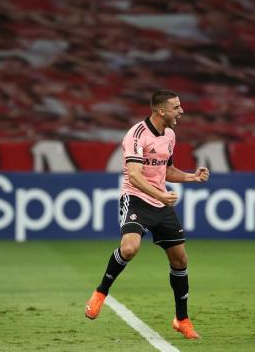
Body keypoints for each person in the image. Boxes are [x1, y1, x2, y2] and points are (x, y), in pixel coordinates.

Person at [84, 89, 210, 339]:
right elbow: (134, 175)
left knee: (180, 260)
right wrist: (162, 196)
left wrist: (191, 176)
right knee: (130, 248)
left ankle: (181, 319)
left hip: (160, 202)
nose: (181, 111)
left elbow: (167, 171)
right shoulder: (136, 135)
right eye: (176, 107)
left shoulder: (170, 135)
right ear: (161, 110)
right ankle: (101, 292)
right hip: (136, 199)